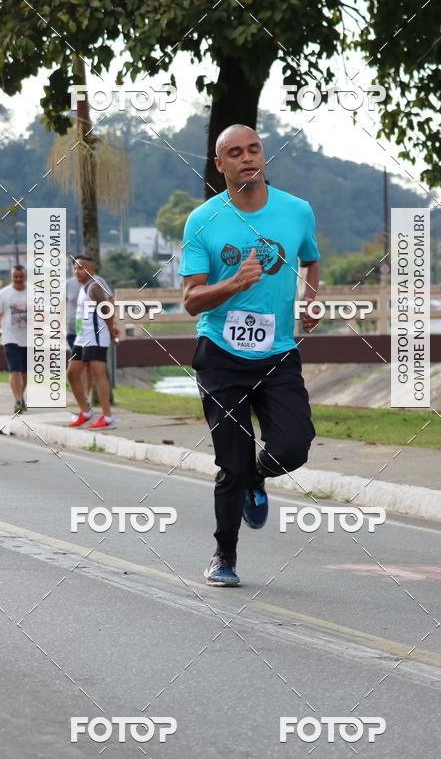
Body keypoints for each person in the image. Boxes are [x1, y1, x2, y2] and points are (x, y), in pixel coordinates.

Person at [179, 124, 320, 586]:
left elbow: (310, 258)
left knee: (294, 446)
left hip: (277, 353)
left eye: (253, 149)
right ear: (220, 165)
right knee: (230, 463)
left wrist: (310, 299)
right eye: (234, 153)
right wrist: (233, 285)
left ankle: (257, 478)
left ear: (263, 155)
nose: (246, 158)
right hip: (220, 353)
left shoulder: (297, 211)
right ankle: (224, 555)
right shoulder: (202, 220)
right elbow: (192, 300)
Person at [67, 255, 116, 429]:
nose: (77, 271)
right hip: (82, 337)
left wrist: (110, 330)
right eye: (75, 268)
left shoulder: (94, 287)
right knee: (72, 373)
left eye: (82, 268)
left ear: (92, 270)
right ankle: (85, 411)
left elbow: (107, 308)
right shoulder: (82, 287)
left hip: (96, 336)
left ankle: (107, 417)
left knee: (98, 374)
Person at [0, 264, 28, 413]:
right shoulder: (3, 294)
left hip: (29, 339)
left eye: (21, 277)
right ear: (11, 277)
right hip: (10, 339)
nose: (18, 279)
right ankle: (17, 400)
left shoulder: (34, 293)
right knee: (15, 370)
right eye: (15, 277)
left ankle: (21, 396)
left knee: (25, 374)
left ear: (25, 277)